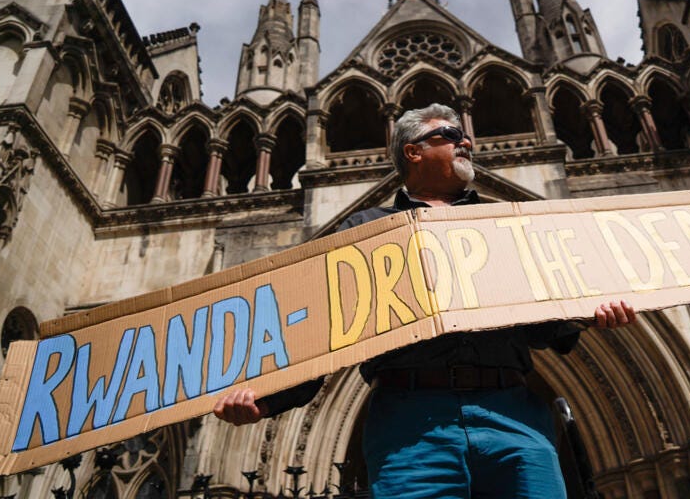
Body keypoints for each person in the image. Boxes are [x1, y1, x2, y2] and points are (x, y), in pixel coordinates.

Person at [214, 103, 637, 498]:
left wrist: (590, 315)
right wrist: (265, 399)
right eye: (452, 135)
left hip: (513, 413)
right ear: (413, 152)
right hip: (410, 421)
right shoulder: (365, 229)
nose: (467, 142)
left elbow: (543, 325)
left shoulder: (503, 222)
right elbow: (324, 331)